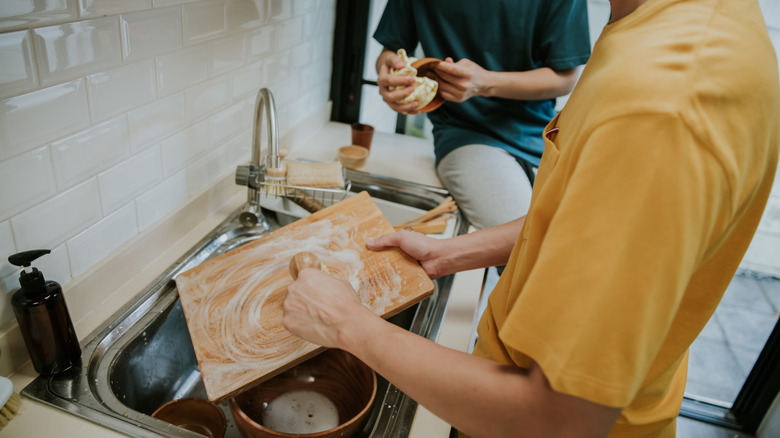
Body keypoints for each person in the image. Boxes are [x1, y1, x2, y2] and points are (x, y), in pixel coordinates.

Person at [284, 0, 780, 436]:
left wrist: (347, 325)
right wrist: (451, 252)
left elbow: (557, 421)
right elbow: (586, 219)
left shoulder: (664, 102)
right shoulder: (661, 28)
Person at [373, 0, 591, 230]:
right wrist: (389, 74)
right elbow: (390, 50)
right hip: (465, 133)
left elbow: (566, 78)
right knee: (531, 241)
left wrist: (486, 83)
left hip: (547, 136)